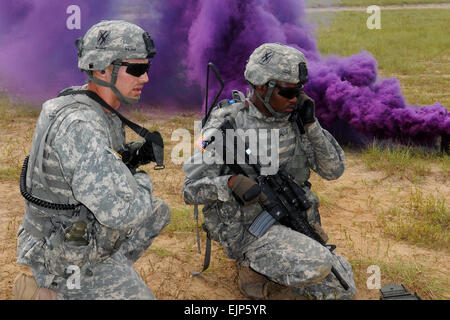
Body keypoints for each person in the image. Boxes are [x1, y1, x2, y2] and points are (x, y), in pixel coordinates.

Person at [182, 43, 357, 300]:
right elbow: (188, 190)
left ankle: (279, 271)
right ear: (262, 86)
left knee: (343, 289)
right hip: (247, 228)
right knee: (317, 264)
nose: (295, 99)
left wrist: (311, 124)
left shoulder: (296, 120)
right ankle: (252, 268)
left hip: (291, 218)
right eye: (287, 92)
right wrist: (229, 183)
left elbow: (333, 170)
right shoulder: (227, 124)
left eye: (299, 91)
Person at [14, 20, 170, 300]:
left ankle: (92, 282)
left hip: (73, 229)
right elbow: (123, 211)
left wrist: (134, 154)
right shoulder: (81, 123)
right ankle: (55, 291)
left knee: (158, 212)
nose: (145, 78)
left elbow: (100, 158)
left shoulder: (85, 103)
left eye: (146, 68)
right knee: (141, 210)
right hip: (59, 250)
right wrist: (140, 178)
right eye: (136, 69)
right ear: (101, 68)